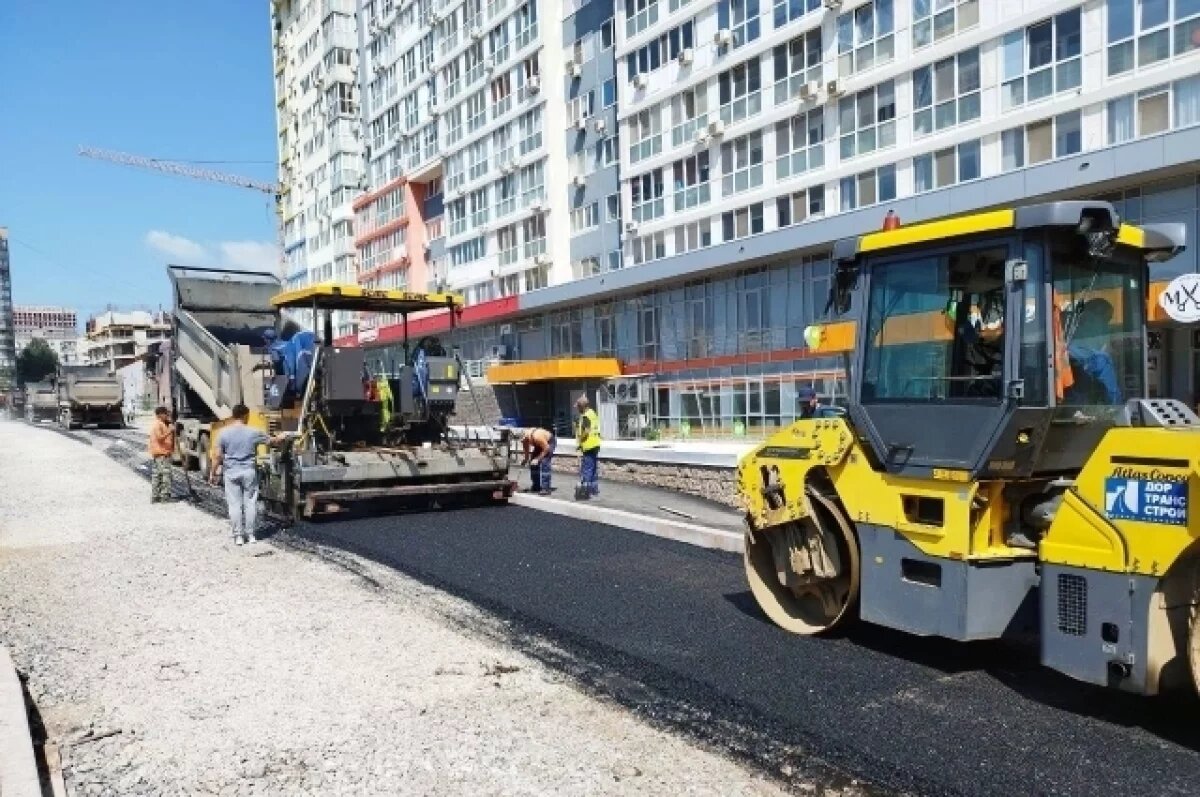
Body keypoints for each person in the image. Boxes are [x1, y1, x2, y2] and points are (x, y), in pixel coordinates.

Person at [209, 404, 286, 546]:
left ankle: (238, 536)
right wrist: (281, 436)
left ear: (233, 415)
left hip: (231, 472)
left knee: (234, 505)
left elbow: (217, 456)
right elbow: (272, 441)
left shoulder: (223, 433)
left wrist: (213, 473)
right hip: (248, 472)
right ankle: (250, 535)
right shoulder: (253, 432)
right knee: (250, 503)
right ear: (246, 415)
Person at [575, 396, 601, 499]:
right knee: (593, 469)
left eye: (578, 407)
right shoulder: (592, 413)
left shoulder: (586, 416)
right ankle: (594, 490)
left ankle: (586, 492)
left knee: (587, 469)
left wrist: (580, 441)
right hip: (595, 444)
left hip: (588, 446)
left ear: (582, 406)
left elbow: (586, 430)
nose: (577, 409)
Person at [148, 406, 175, 503]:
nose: (167, 415)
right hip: (162, 454)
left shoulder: (161, 424)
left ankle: (155, 497)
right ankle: (164, 497)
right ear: (160, 415)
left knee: (157, 475)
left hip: (159, 453)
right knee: (165, 475)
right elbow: (160, 438)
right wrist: (170, 431)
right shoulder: (158, 425)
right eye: (165, 414)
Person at [519, 426, 556, 495]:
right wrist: (526, 459)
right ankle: (536, 486)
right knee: (532, 462)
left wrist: (538, 459)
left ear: (526, 437)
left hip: (549, 442)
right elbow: (526, 450)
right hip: (539, 444)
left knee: (545, 462)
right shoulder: (525, 439)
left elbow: (546, 448)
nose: (524, 442)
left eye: (524, 440)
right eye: (523, 441)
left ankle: (546, 488)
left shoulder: (537, 436)